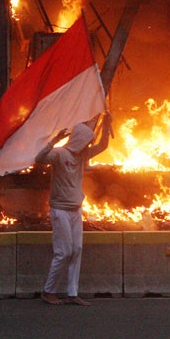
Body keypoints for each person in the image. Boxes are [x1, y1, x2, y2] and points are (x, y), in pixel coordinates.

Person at [34, 113, 112, 306]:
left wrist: (106, 125)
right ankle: (48, 291)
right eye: (86, 141)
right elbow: (40, 158)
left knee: (76, 249)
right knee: (64, 252)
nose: (88, 145)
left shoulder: (83, 155)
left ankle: (72, 293)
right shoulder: (60, 154)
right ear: (78, 139)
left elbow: (103, 146)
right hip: (60, 209)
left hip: (75, 209)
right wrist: (55, 140)